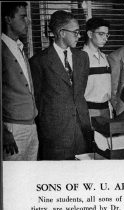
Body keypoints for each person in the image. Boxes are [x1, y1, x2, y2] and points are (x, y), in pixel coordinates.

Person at [30, 10, 92, 160]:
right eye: (75, 32)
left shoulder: (82, 57)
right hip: (55, 132)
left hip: (82, 128)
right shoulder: (39, 61)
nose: (79, 36)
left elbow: (79, 91)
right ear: (62, 32)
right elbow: (37, 99)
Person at [2, 1, 38, 160]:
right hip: (12, 129)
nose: (28, 21)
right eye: (23, 17)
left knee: (30, 178)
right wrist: (3, 132)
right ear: (8, 19)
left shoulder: (19, 48)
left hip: (31, 126)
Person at [83, 17, 112, 119]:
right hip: (88, 110)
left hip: (106, 109)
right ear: (90, 34)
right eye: (101, 34)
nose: (105, 38)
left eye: (107, 35)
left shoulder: (105, 58)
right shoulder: (80, 58)